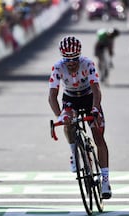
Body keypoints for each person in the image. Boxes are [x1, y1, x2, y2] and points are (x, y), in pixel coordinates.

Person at [48, 36, 112, 199]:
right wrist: (60, 115)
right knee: (67, 119)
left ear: (79, 56)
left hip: (89, 97)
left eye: (75, 58)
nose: (71, 63)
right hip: (70, 99)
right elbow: (52, 97)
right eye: (67, 60)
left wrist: (96, 109)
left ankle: (105, 180)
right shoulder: (57, 68)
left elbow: (96, 90)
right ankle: (73, 152)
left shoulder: (87, 64)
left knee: (98, 137)